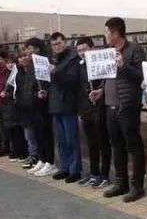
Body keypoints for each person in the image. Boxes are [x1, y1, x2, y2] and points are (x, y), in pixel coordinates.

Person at [90, 17, 146, 203]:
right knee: (116, 145)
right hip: (110, 106)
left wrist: (123, 65)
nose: (105, 35)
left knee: (134, 146)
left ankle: (137, 186)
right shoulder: (109, 51)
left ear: (115, 32)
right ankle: (121, 183)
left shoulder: (134, 50)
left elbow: (141, 76)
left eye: (107, 31)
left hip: (127, 105)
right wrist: (101, 90)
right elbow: (107, 76)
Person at [75, 37, 111, 188]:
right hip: (86, 109)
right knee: (91, 143)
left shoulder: (100, 62)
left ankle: (105, 175)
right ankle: (94, 173)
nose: (82, 53)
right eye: (79, 51)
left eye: (84, 49)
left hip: (100, 107)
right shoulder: (80, 66)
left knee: (103, 142)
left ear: (92, 48)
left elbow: (106, 83)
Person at [48, 32, 82, 183]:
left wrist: (55, 72)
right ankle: (65, 167)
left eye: (59, 43)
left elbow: (72, 81)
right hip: (55, 104)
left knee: (71, 139)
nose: (56, 47)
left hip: (68, 104)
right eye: (53, 45)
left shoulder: (73, 58)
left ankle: (75, 170)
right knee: (61, 140)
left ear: (65, 42)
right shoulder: (54, 59)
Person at [24, 37, 58, 177]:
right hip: (33, 104)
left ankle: (50, 162)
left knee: (46, 133)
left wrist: (44, 92)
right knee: (38, 133)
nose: (27, 51)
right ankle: (42, 159)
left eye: (29, 48)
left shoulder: (45, 61)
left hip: (44, 104)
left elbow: (49, 83)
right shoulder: (31, 64)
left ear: (37, 49)